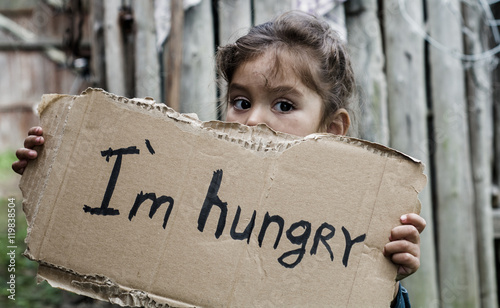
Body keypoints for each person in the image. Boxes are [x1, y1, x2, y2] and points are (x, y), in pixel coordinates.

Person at [13, 10, 424, 307]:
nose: (254, 119)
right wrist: (60, 170)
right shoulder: (189, 194)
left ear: (332, 127)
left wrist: (384, 280)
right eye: (241, 101)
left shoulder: (343, 226)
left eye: (284, 105)